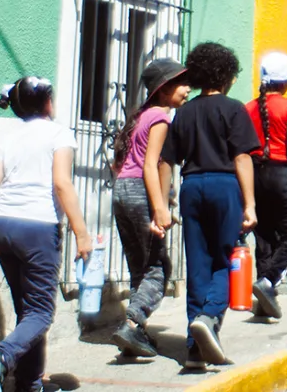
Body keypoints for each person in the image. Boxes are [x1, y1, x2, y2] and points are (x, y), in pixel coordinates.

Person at [0, 77, 92, 392]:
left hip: (4, 226)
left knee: (27, 312)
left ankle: (29, 384)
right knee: (40, 312)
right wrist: (81, 233)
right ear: (48, 103)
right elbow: (62, 184)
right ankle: (1, 360)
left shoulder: (9, 138)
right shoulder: (58, 134)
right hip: (38, 227)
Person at [159, 42, 259, 368]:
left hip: (191, 186)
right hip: (224, 185)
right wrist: (250, 204)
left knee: (198, 265)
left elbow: (166, 161)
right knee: (228, 259)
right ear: (226, 75)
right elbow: (242, 157)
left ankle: (194, 350)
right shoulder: (234, 109)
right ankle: (209, 315)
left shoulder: (183, 113)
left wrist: (163, 202)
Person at [109, 59, 189, 357]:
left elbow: (124, 164)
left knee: (139, 268)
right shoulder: (160, 118)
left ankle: (135, 334)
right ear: (163, 89)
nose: (187, 89)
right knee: (158, 268)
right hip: (140, 190)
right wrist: (160, 207)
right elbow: (150, 165)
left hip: (121, 190)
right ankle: (132, 322)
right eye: (180, 84)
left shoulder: (141, 115)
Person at [245, 52, 287, 319]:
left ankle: (264, 299)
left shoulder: (248, 108)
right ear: (285, 82)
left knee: (263, 237)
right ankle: (268, 281)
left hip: (254, 175)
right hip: (282, 173)